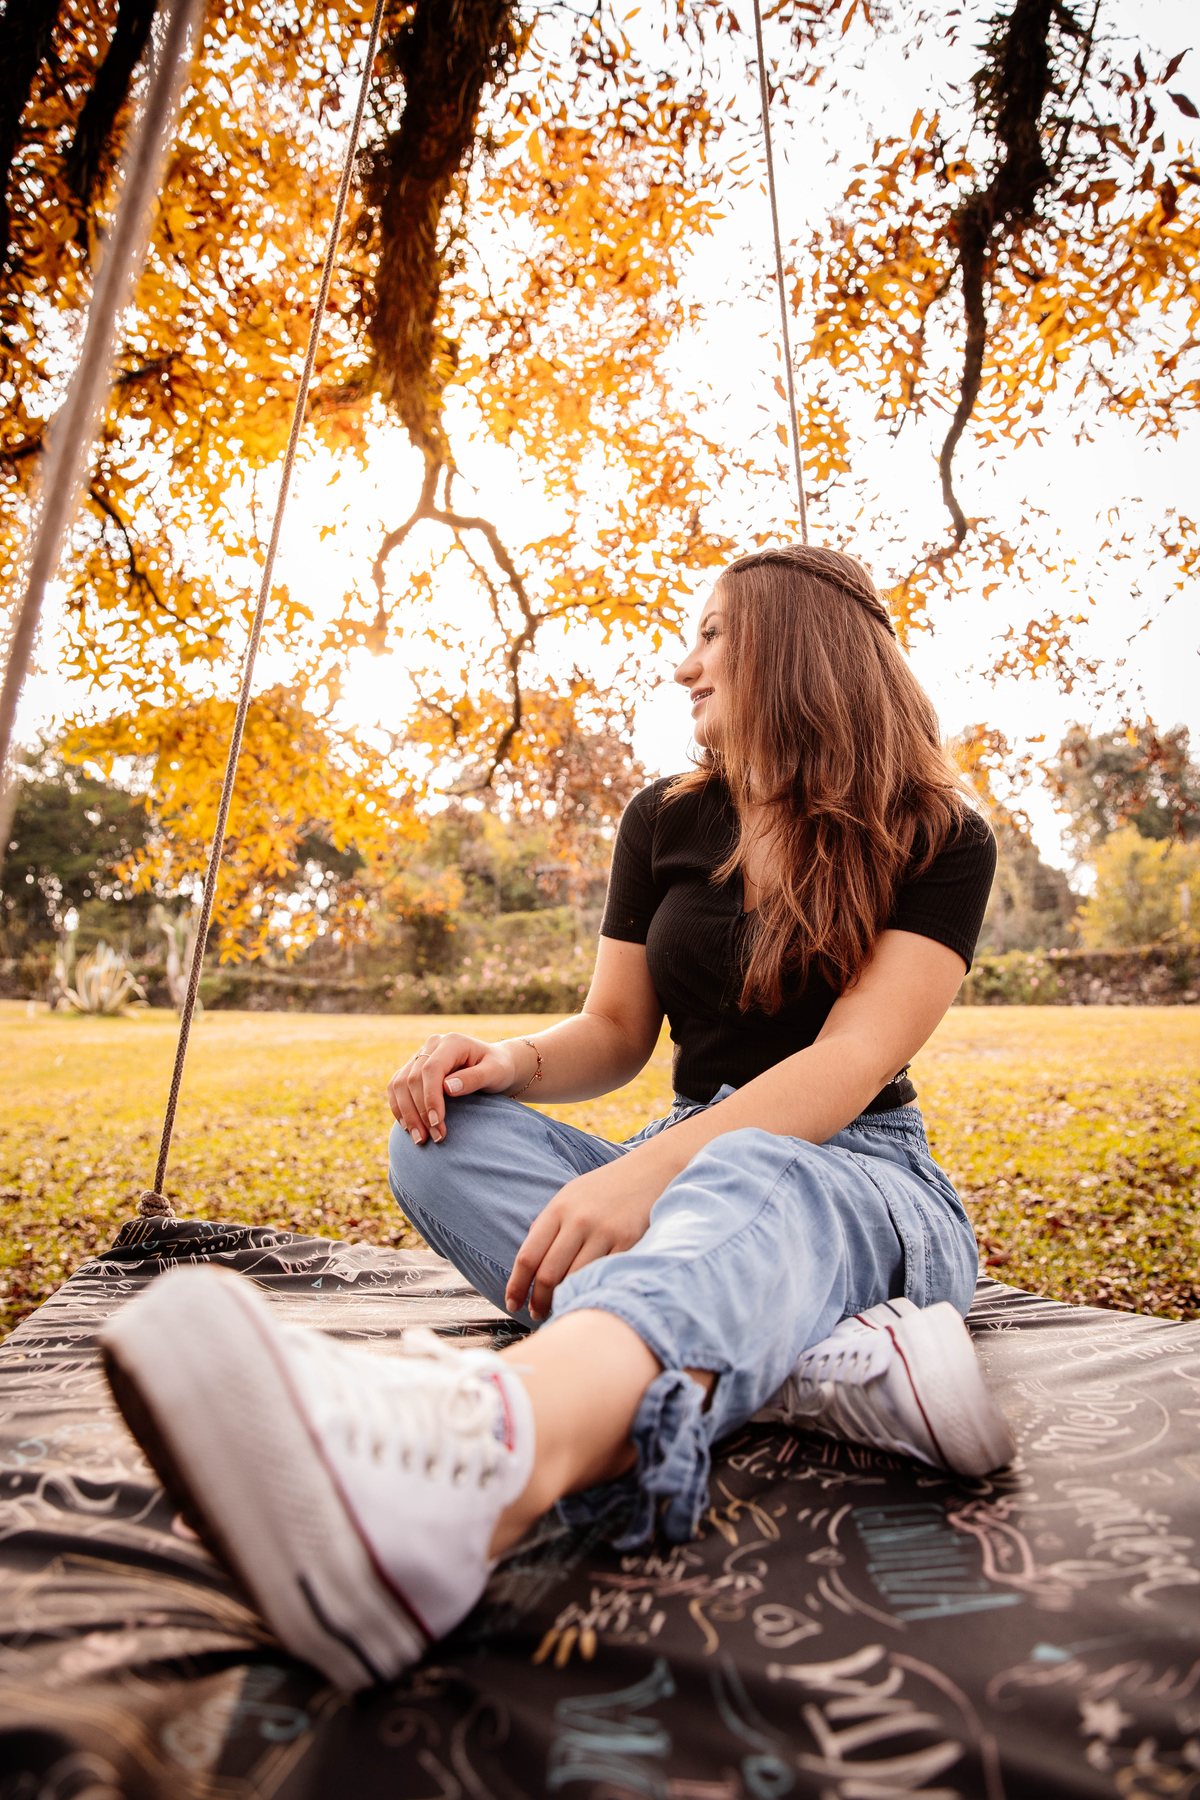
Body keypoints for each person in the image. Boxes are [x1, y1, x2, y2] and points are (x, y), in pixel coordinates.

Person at [100, 544, 1015, 1693]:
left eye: (713, 635)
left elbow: (847, 1065)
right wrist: (506, 1063)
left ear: (795, 644)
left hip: (856, 1170)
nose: (684, 667)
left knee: (754, 1170)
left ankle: (480, 1461)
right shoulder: (665, 819)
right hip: (693, 1162)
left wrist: (645, 1177)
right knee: (440, 1145)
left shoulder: (938, 830)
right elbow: (617, 1030)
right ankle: (815, 1361)